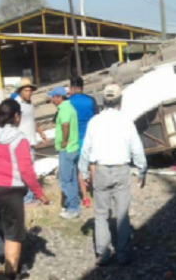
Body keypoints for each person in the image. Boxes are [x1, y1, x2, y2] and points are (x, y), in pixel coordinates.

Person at [0, 99, 50, 279]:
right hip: (11, 192)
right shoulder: (19, 139)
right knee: (13, 234)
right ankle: (11, 273)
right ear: (16, 116)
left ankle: (4, 257)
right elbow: (26, 170)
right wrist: (39, 194)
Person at [79, 84, 147, 266]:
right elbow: (137, 148)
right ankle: (123, 254)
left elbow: (85, 149)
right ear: (120, 101)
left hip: (100, 170)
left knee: (101, 214)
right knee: (122, 213)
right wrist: (142, 169)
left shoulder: (94, 121)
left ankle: (102, 254)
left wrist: (84, 170)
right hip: (121, 169)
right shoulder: (126, 121)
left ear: (103, 101)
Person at [14, 77, 48, 204]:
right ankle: (27, 197)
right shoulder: (16, 104)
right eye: (26, 91)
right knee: (25, 170)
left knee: (31, 169)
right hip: (22, 142)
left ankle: (30, 195)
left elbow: (31, 120)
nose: (29, 93)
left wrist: (40, 132)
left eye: (30, 91)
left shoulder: (29, 104)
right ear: (20, 91)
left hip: (31, 140)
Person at [49, 86, 81, 219]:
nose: (52, 99)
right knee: (72, 178)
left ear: (59, 97)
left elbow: (65, 125)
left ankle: (73, 208)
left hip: (67, 149)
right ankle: (72, 205)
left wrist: (64, 140)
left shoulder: (64, 110)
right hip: (73, 147)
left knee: (64, 180)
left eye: (53, 97)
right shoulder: (69, 107)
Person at [69, 76, 99, 208]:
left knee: (80, 168)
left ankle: (85, 198)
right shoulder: (91, 100)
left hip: (76, 139)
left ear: (71, 88)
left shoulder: (68, 102)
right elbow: (97, 118)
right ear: (82, 87)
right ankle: (97, 193)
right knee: (93, 165)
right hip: (91, 137)